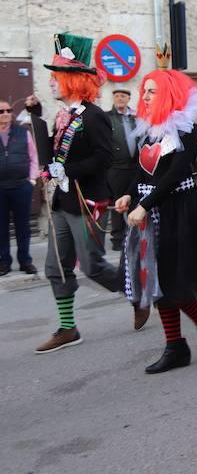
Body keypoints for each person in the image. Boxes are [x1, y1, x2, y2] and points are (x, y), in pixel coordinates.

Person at [117, 51, 197, 373]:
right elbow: (143, 171)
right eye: (144, 91)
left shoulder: (184, 128)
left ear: (167, 93)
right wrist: (129, 195)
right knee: (157, 281)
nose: (145, 96)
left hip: (178, 211)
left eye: (151, 91)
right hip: (150, 211)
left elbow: (175, 174)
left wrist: (144, 205)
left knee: (174, 281)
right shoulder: (147, 129)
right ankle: (177, 346)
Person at [28, 34, 127, 353]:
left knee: (92, 265)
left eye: (57, 77)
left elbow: (104, 158)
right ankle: (68, 328)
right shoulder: (63, 116)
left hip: (87, 201)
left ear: (74, 80)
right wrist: (37, 116)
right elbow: (60, 154)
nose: (52, 82)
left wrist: (67, 170)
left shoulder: (95, 116)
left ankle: (137, 291)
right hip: (62, 202)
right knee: (56, 266)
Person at [0, 99, 39, 276]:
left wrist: (32, 179)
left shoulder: (23, 132)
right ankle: (4, 262)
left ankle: (25, 261)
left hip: (21, 186)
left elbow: (33, 157)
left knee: (23, 226)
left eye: (8, 110)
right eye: (2, 111)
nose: (6, 114)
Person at [105, 89, 137, 251]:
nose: (120, 99)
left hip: (134, 167)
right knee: (117, 203)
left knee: (133, 200)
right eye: (116, 96)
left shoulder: (135, 118)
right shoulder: (107, 117)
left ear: (129, 98)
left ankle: (132, 234)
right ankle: (117, 239)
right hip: (115, 168)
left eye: (123, 96)